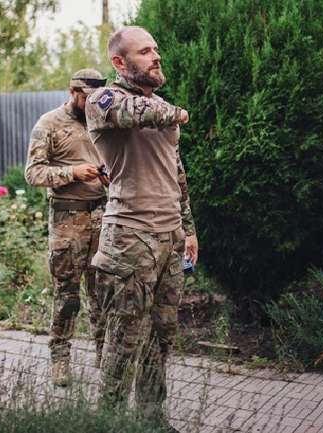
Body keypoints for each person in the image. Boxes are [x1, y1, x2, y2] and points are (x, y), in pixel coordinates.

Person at [84, 26, 198, 430]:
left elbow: (176, 172)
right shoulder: (103, 100)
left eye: (156, 50)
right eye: (145, 51)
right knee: (124, 340)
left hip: (169, 238)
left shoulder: (159, 106)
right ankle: (111, 424)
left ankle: (152, 422)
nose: (156, 56)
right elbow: (138, 112)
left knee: (160, 337)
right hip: (129, 238)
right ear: (120, 62)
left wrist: (188, 228)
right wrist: (177, 112)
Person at [25, 69, 111, 386]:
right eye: (86, 99)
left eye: (96, 100)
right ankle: (60, 360)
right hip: (67, 220)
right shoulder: (49, 124)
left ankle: (106, 356)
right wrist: (75, 172)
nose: (91, 105)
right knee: (67, 296)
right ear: (72, 92)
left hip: (102, 216)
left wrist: (107, 177)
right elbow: (33, 174)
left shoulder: (104, 122)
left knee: (103, 292)